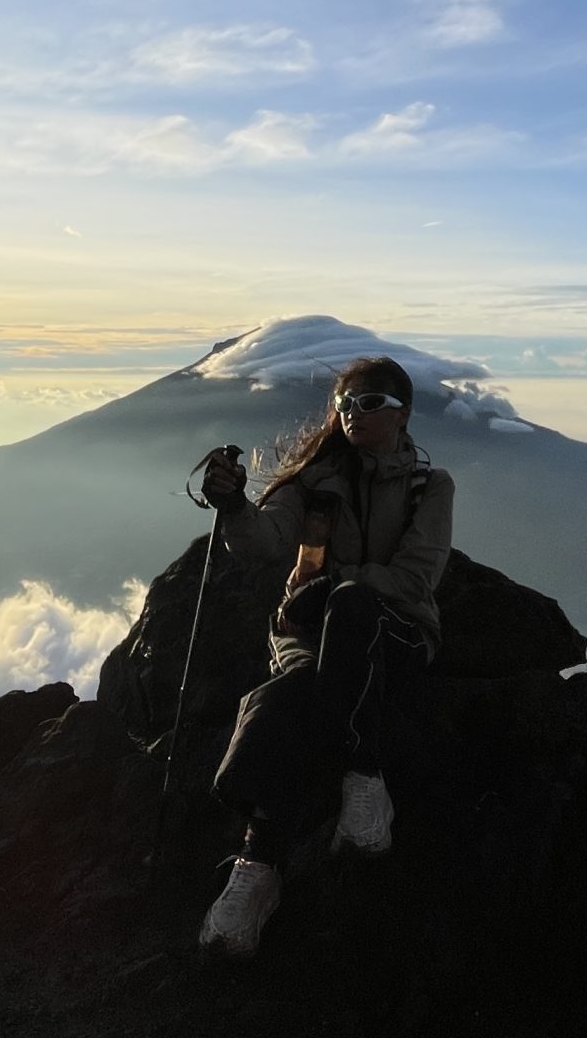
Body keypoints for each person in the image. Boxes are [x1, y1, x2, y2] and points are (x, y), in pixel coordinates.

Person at [195, 355, 454, 958]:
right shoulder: (314, 481)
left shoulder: (429, 486)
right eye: (345, 405)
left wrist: (334, 587)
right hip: (308, 637)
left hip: (396, 632)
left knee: (352, 610)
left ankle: (347, 790)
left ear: (402, 414)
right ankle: (259, 870)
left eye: (369, 404)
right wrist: (234, 506)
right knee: (295, 688)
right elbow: (265, 543)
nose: (352, 415)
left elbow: (417, 579)